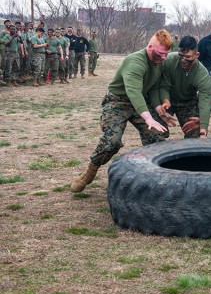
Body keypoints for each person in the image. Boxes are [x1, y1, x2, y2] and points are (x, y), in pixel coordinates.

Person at [70, 30, 173, 193]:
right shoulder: (135, 62)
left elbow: (153, 87)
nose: (163, 58)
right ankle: (89, 173)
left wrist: (158, 108)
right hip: (118, 101)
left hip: (140, 102)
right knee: (112, 141)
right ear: (150, 46)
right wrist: (148, 118)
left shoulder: (159, 62)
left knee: (157, 137)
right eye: (160, 54)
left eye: (166, 55)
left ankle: (158, 177)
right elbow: (134, 92)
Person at [156, 35, 211, 138]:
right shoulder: (169, 61)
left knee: (195, 134)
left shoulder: (202, 75)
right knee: (154, 131)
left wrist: (203, 131)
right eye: (181, 55)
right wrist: (165, 101)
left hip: (188, 102)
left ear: (197, 55)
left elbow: (205, 101)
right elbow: (164, 85)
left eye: (188, 57)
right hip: (168, 100)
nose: (183, 60)